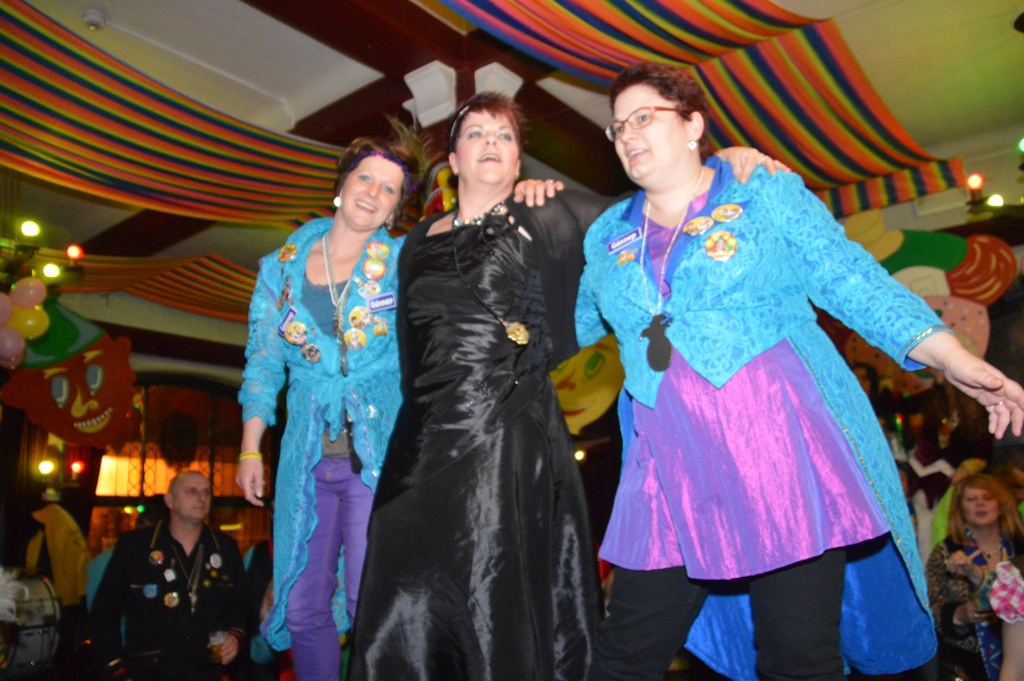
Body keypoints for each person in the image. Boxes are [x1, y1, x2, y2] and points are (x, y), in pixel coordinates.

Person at [574, 62, 1024, 681]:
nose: (627, 133)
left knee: (797, 657)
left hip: (780, 455)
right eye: (618, 126)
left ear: (694, 124)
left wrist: (952, 356)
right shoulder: (606, 234)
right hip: (666, 471)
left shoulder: (758, 190)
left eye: (644, 117)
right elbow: (567, 324)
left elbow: (849, 278)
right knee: (622, 657)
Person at [236, 127, 422, 681]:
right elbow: (263, 361)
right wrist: (250, 448)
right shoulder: (280, 267)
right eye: (364, 178)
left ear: (395, 210)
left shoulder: (404, 265)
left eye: (388, 189)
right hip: (305, 460)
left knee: (372, 602)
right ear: (341, 186)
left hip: (376, 459)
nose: (372, 193)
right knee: (302, 606)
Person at [90, 471, 247, 681]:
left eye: (206, 492)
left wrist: (235, 636)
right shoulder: (135, 547)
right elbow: (104, 613)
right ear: (169, 501)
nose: (201, 498)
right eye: (192, 491)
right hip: (148, 672)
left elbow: (239, 605)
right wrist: (115, 668)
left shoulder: (225, 549)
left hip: (204, 671)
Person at [927, 475, 1024, 680]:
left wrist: (974, 574)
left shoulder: (1020, 547)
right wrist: (959, 615)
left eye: (987, 498)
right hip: (962, 666)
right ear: (960, 510)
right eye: (971, 499)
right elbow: (928, 609)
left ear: (1001, 506)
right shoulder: (946, 550)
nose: (980, 504)